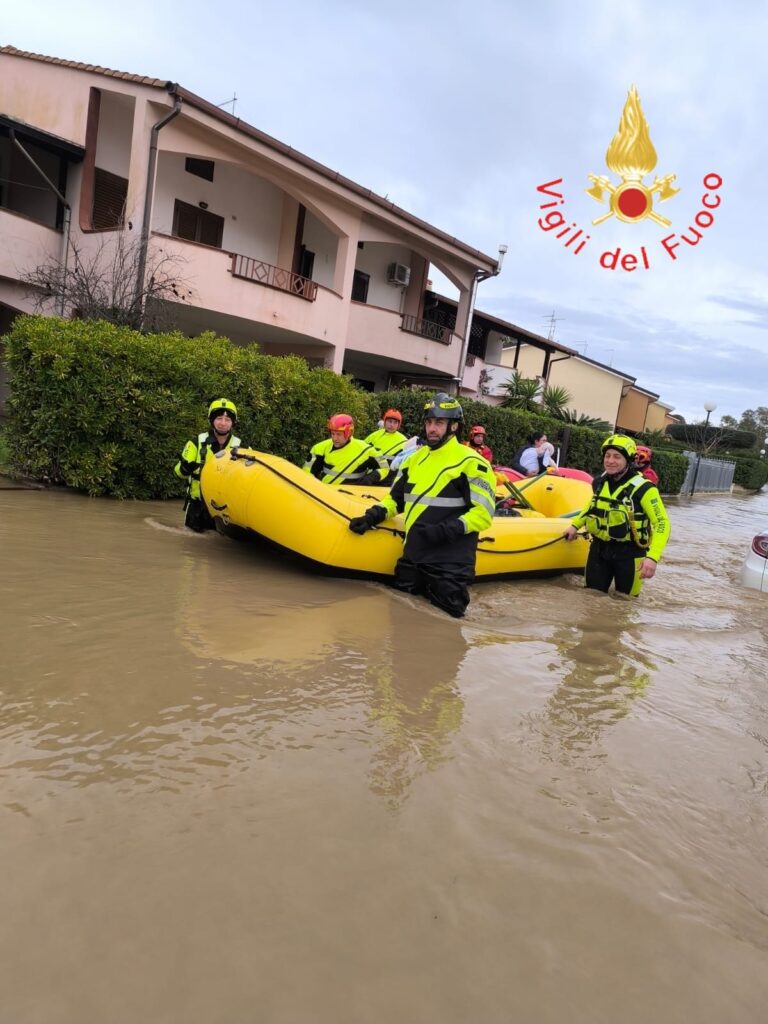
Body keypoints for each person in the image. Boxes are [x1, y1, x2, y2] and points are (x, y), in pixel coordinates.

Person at [347, 392, 497, 618]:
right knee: (399, 621)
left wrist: (444, 531)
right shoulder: (413, 460)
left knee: (445, 630)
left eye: (439, 422)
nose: (432, 429)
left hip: (449, 563)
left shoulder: (473, 463)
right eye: (429, 422)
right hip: (413, 556)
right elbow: (395, 500)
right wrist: (372, 516)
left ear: (454, 426)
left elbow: (483, 514)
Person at [563, 434, 671, 597]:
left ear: (629, 460)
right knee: (590, 598)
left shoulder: (645, 489)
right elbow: (593, 506)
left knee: (625, 603)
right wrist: (575, 525)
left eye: (617, 457)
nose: (610, 461)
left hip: (630, 554)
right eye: (607, 456)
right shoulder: (599, 482)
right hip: (599, 550)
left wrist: (653, 557)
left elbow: (662, 523)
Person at [175, 398, 241, 532]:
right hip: (197, 507)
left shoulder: (241, 446)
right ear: (212, 420)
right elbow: (178, 473)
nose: (223, 423)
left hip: (226, 510)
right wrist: (184, 468)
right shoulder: (196, 442)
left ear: (233, 422)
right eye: (219, 418)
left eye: (227, 419)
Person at [303, 413, 388, 486]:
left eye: (339, 434)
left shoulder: (366, 450)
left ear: (349, 433)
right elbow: (307, 475)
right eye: (332, 434)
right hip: (326, 495)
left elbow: (384, 467)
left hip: (351, 496)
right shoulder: (319, 448)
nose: (334, 438)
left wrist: (370, 478)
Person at [365, 409, 408, 482]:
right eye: (390, 421)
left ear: (398, 425)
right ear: (385, 422)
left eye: (395, 422)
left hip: (389, 480)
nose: (392, 425)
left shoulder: (404, 441)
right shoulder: (374, 436)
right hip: (370, 477)